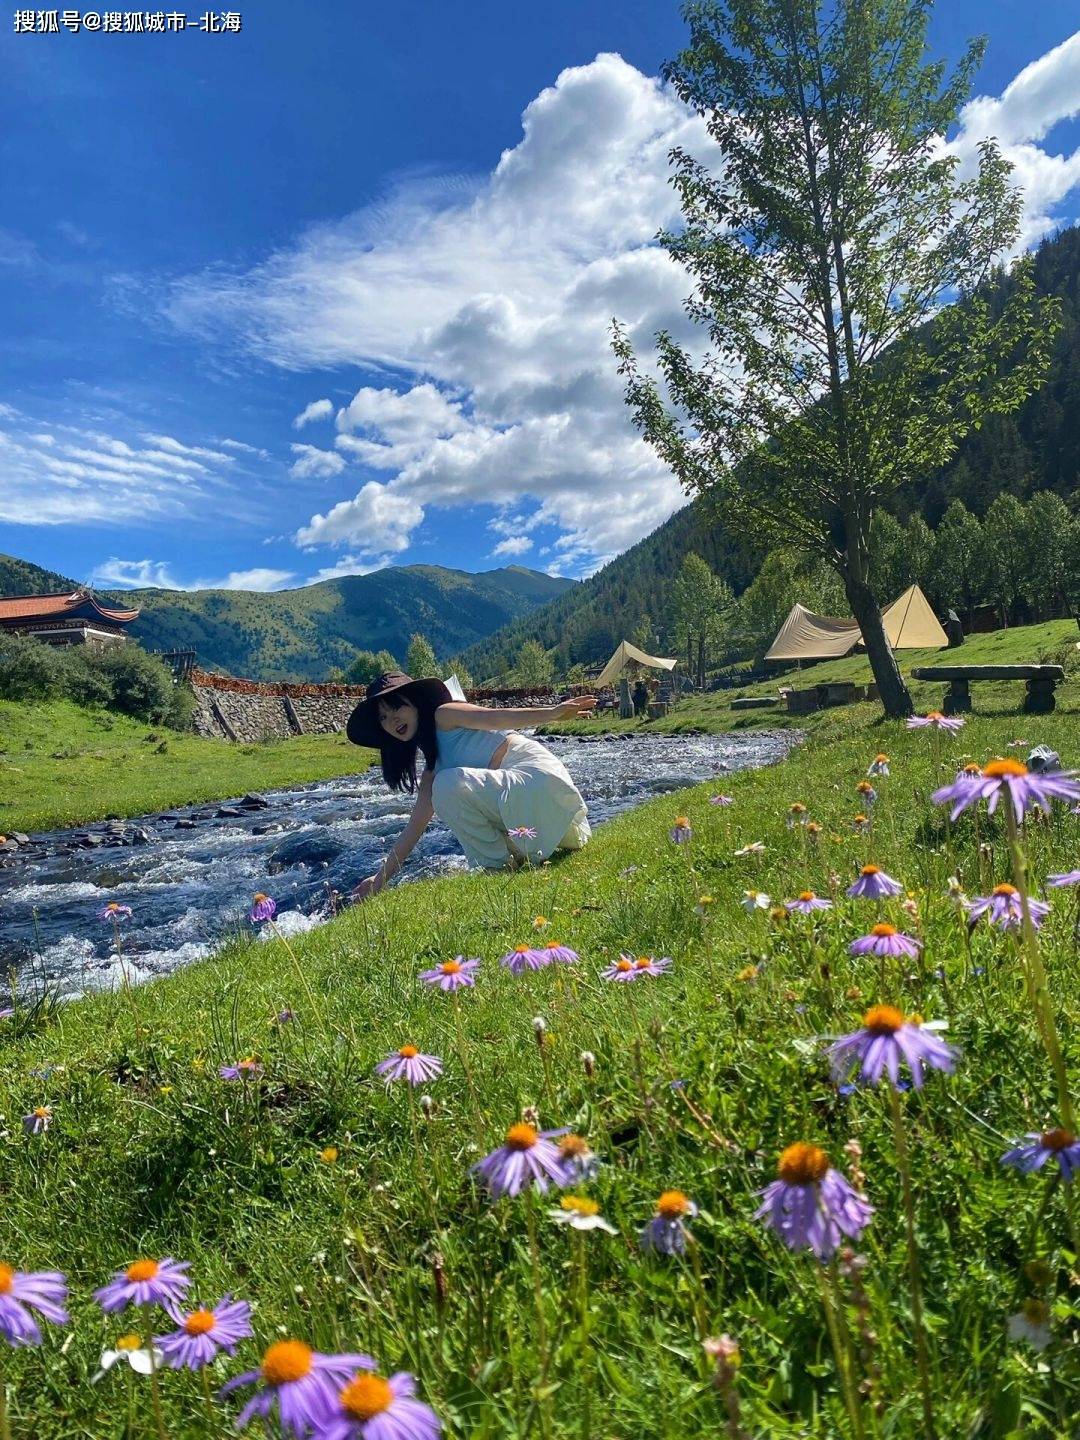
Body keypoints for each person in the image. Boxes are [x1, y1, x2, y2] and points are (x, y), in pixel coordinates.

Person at [345, 671, 597, 901]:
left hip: (539, 783)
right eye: (383, 717)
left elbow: (494, 718)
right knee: (441, 787)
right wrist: (379, 881)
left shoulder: (445, 715)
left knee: (445, 786)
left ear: (416, 703)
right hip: (534, 814)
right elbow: (413, 830)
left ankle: (496, 867)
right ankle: (506, 862)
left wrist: (552, 712)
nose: (393, 720)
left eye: (397, 706)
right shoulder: (433, 772)